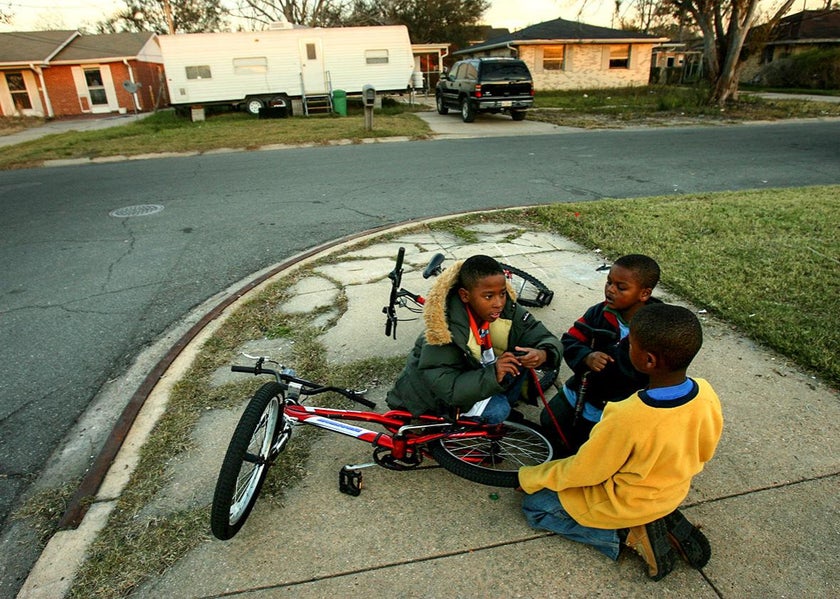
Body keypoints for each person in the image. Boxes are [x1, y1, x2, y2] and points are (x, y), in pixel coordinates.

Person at [518, 303, 724, 580]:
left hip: (624, 500)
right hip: (671, 492)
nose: (626, 349)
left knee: (536, 508)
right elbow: (705, 450)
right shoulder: (706, 393)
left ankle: (625, 534)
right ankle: (659, 517)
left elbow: (586, 470)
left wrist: (532, 477)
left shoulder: (627, 414)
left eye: (630, 345)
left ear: (648, 361)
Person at [386, 254, 563, 423]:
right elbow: (449, 389)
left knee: (520, 357)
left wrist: (544, 353)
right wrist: (494, 373)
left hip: (478, 375)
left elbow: (541, 334)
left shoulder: (507, 309)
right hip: (437, 398)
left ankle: (500, 403)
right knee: (498, 410)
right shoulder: (444, 331)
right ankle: (461, 428)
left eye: (502, 293)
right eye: (488, 296)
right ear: (465, 295)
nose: (499, 303)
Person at [541, 254, 662, 453]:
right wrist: (586, 356)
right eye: (609, 282)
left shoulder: (656, 326)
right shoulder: (598, 313)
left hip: (618, 405)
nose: (610, 290)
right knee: (550, 420)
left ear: (644, 294)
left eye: (621, 287)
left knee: (589, 446)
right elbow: (570, 340)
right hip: (581, 389)